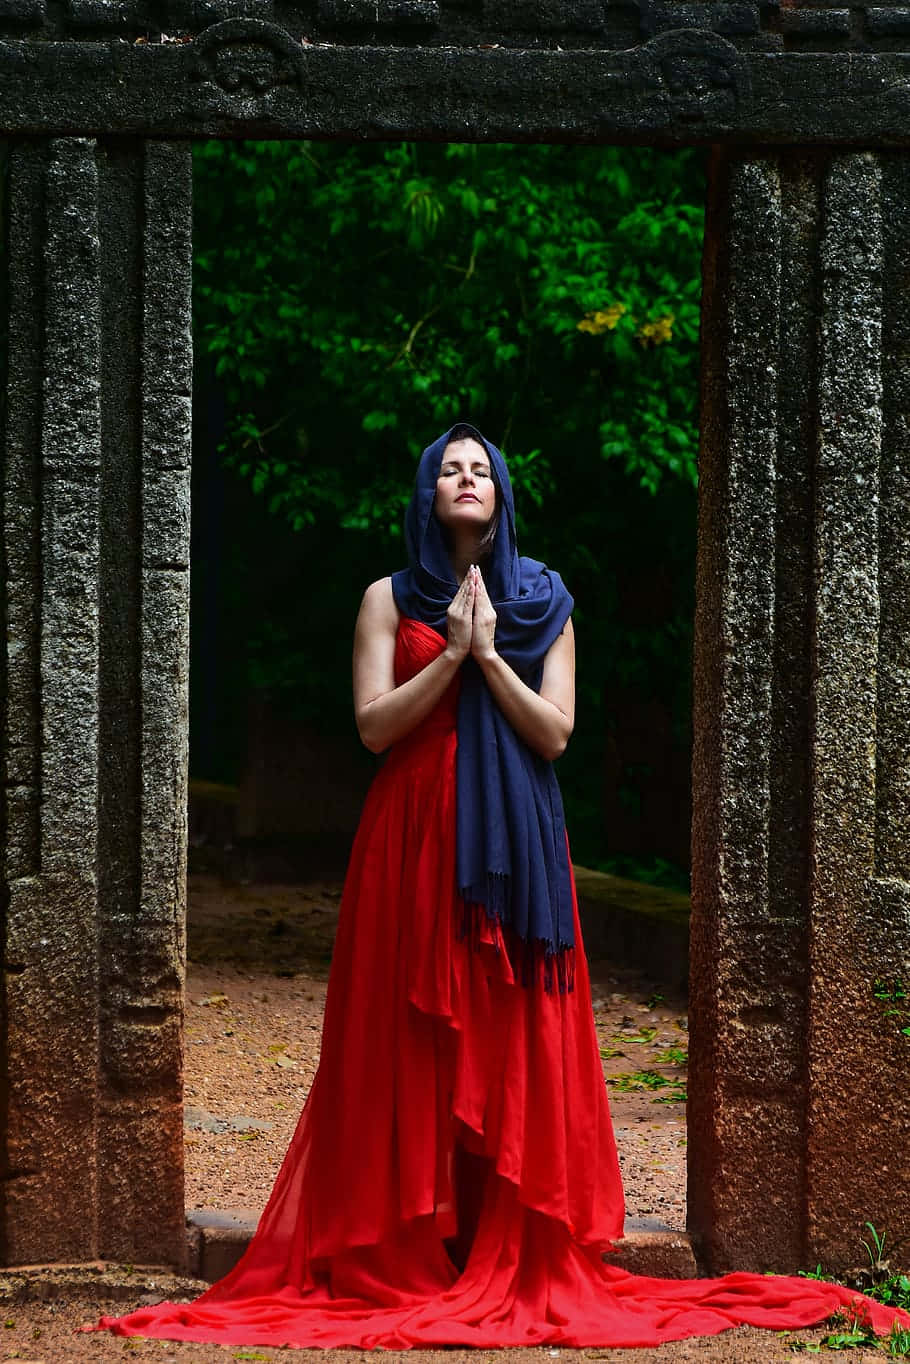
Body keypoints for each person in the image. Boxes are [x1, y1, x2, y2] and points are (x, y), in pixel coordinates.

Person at [85, 422, 910, 1349]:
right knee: (410, 1035)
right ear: (427, 493)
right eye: (450, 469)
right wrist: (446, 654)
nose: (466, 479)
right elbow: (371, 728)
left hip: (517, 842)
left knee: (506, 1026)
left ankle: (500, 1240)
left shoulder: (546, 598)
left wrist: (485, 654)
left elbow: (554, 733)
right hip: (411, 838)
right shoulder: (386, 599)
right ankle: (404, 1241)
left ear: (502, 491)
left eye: (481, 469)